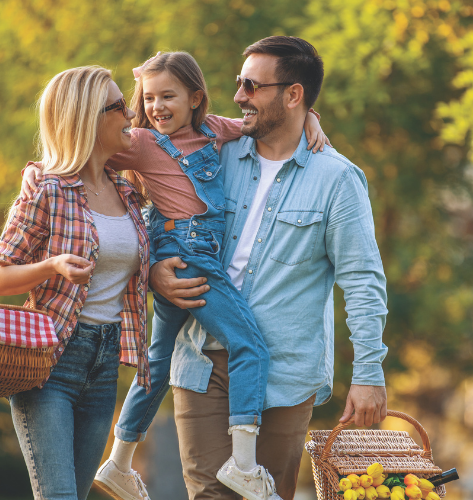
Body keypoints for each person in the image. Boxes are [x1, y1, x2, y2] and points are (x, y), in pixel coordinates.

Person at [21, 52, 329, 500]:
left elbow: (266, 122)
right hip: (188, 255)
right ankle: (244, 464)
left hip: (193, 253)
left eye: (168, 96)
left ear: (195, 98)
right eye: (148, 97)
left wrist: (310, 121)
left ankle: (119, 460)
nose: (155, 106)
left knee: (157, 363)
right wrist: (39, 171)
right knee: (250, 346)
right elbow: (82, 147)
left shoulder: (215, 129)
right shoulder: (141, 142)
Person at [152, 36, 389, 500]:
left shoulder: (337, 180)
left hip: (284, 372)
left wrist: (369, 373)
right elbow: (155, 212)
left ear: (293, 94)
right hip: (202, 358)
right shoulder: (213, 156)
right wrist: (155, 269)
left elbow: (362, 281)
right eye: (240, 83)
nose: (239, 95)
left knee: (267, 495)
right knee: (211, 494)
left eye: (252, 86)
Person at [0, 66, 151, 500]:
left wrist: (308, 119)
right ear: (88, 117)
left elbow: (202, 133)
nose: (133, 113)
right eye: (119, 106)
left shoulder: (128, 192)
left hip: (104, 361)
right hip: (50, 362)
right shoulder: (49, 188)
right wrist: (52, 265)